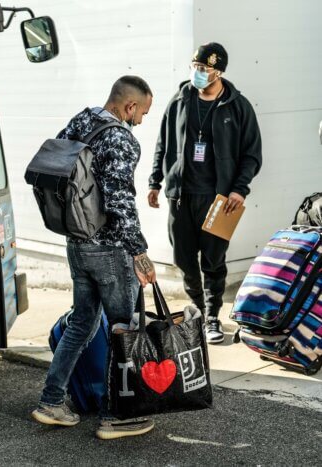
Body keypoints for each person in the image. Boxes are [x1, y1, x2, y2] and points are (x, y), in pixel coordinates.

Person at [31, 76, 157, 440]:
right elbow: (119, 202)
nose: (141, 121)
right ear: (129, 106)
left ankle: (51, 401)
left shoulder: (81, 121)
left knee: (82, 324)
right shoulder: (120, 138)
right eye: (142, 113)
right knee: (124, 329)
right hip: (110, 251)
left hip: (77, 244)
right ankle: (116, 417)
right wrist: (140, 252)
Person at [147, 42, 262, 344]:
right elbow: (163, 142)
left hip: (219, 200)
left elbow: (252, 154)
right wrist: (155, 181)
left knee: (213, 260)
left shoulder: (238, 107)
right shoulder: (180, 100)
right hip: (181, 196)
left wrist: (239, 190)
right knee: (184, 259)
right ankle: (196, 309)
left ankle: (211, 316)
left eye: (204, 70)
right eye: (195, 67)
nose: (197, 73)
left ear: (219, 72)